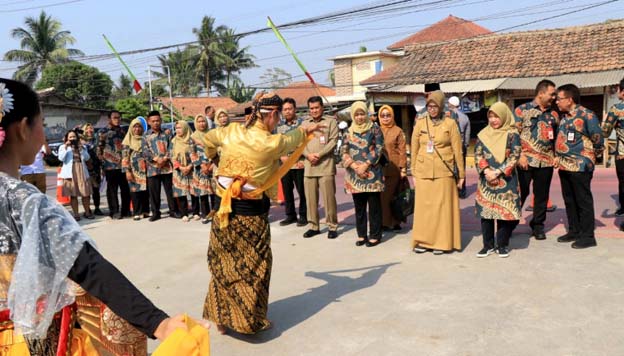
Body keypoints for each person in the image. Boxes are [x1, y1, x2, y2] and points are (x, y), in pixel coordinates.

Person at [0, 78, 195, 354]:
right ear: (22, 129)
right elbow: (88, 267)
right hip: (25, 341)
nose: (43, 135)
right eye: (41, 124)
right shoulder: (27, 202)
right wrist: (158, 323)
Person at [196, 92, 323, 335]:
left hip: (222, 211)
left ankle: (220, 319)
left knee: (223, 263)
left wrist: (214, 157)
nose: (277, 124)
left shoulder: (230, 131)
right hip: (249, 215)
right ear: (273, 114)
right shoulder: (271, 143)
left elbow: (207, 139)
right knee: (254, 267)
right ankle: (247, 321)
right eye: (276, 117)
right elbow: (293, 138)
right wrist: (307, 128)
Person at [411, 90, 465, 254]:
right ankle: (423, 241)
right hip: (423, 171)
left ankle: (441, 243)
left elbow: (458, 151)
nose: (432, 109)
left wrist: (461, 175)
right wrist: (413, 172)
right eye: (429, 106)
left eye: (435, 106)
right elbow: (414, 148)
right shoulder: (420, 123)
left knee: (442, 209)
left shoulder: (450, 124)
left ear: (441, 106)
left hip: (444, 171)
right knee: (424, 209)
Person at [554, 84, 603, 249]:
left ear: (569, 99)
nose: (556, 102)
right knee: (569, 200)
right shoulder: (565, 117)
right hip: (564, 166)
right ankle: (574, 230)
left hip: (580, 166)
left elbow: (598, 139)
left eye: (559, 99)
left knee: (583, 201)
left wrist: (590, 158)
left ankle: (588, 236)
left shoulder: (587, 115)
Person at [513, 80, 559, 240]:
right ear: (541, 93)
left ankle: (538, 225)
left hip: (546, 161)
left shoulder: (554, 114)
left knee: (542, 195)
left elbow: (558, 137)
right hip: (525, 161)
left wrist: (556, 155)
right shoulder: (521, 110)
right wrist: (519, 155)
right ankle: (510, 223)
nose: (554, 97)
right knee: (520, 193)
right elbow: (513, 135)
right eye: (551, 93)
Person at [474, 102, 522, 258]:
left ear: (505, 116)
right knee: (486, 213)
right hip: (486, 179)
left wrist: (498, 172)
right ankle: (487, 245)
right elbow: (478, 154)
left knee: (504, 213)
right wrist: (487, 170)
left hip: (506, 179)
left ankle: (502, 245)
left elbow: (515, 156)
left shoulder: (512, 134)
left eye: (497, 116)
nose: (493, 120)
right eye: (491, 116)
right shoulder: (483, 134)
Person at [341, 101, 385, 247]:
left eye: (362, 114)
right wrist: (354, 166)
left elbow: (379, 148)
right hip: (355, 175)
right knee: (359, 207)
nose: (360, 117)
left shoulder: (375, 129)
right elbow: (343, 151)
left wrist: (365, 164)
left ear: (366, 114)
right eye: (357, 114)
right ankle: (361, 235)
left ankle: (375, 235)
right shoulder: (348, 131)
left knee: (374, 207)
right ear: (353, 116)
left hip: (372, 172)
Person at [301, 96, 339, 239]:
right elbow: (300, 143)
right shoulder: (304, 124)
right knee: (310, 199)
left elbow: (333, 141)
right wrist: (309, 155)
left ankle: (332, 226)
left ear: (322, 107)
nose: (314, 110)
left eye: (317, 107)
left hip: (326, 166)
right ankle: (314, 226)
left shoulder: (330, 122)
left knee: (329, 199)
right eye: (311, 108)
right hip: (309, 167)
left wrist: (319, 154)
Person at [277, 97, 307, 226]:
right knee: (287, 191)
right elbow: (276, 144)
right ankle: (290, 215)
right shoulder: (278, 127)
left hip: (299, 163)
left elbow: (305, 143)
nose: (288, 111)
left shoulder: (302, 124)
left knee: (302, 191)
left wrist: (295, 156)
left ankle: (304, 215)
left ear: (295, 109)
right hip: (284, 164)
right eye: (285, 109)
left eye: (290, 109)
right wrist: (281, 156)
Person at [143, 110, 178, 221]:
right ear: (149, 122)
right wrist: (156, 159)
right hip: (153, 168)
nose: (156, 123)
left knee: (170, 191)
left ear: (161, 121)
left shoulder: (167, 133)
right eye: (153, 121)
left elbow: (172, 147)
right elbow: (145, 151)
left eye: (158, 120)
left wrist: (165, 158)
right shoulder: (145, 136)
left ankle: (173, 211)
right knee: (154, 193)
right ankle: (155, 213)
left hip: (167, 167)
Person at [97, 110, 131, 219]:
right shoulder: (103, 132)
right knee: (112, 190)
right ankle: (114, 211)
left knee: (125, 189)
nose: (118, 119)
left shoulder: (123, 131)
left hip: (123, 165)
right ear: (109, 119)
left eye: (119, 117)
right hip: (110, 166)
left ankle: (126, 210)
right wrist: (103, 164)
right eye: (115, 117)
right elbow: (98, 150)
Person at [378, 105, 407, 231]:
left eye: (388, 115)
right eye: (383, 115)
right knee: (381, 198)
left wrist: (403, 168)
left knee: (393, 196)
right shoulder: (376, 130)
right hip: (378, 169)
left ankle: (394, 222)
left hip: (394, 169)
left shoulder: (398, 131)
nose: (385, 118)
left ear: (392, 116)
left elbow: (402, 151)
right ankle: (384, 222)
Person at [59, 129, 94, 220]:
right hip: (70, 172)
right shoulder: (63, 147)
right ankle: (76, 214)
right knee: (73, 194)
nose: (72, 139)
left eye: (74, 137)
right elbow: (61, 158)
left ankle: (87, 212)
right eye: (70, 137)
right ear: (67, 138)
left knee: (85, 193)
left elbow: (87, 158)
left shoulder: (81, 147)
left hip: (81, 170)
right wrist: (66, 147)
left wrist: (81, 148)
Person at [602, 77, 624, 216]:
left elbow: (605, 131)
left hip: (622, 154)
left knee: (623, 183)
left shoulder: (617, 109)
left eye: (618, 90)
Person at [122, 118, 150, 221]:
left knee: (145, 191)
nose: (137, 129)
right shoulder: (127, 141)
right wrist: (127, 171)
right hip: (133, 170)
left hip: (145, 168)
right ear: (131, 128)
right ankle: (137, 212)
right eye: (134, 127)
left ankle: (145, 211)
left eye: (139, 126)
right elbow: (125, 157)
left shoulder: (145, 139)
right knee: (134, 191)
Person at [190, 114, 214, 224]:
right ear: (196, 123)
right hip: (200, 169)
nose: (202, 123)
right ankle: (205, 214)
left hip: (212, 167)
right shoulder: (193, 137)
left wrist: (212, 164)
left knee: (214, 192)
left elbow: (217, 150)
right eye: (199, 122)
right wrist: (202, 165)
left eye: (203, 121)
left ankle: (215, 214)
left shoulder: (212, 135)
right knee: (203, 193)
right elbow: (192, 153)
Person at [170, 120, 195, 222]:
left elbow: (195, 154)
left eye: (180, 128)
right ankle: (184, 213)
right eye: (176, 128)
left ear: (185, 128)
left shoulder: (192, 140)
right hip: (179, 170)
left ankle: (196, 212)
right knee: (181, 192)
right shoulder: (173, 141)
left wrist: (189, 166)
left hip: (191, 169)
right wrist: (180, 167)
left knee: (193, 192)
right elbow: (171, 156)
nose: (178, 130)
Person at [448, 96, 471, 198]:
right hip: (461, 144)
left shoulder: (447, 116)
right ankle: (462, 191)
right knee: (461, 167)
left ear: (450, 104)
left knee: (450, 167)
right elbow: (467, 133)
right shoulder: (465, 117)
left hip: (450, 145)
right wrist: (465, 145)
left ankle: (452, 190)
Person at [81, 123, 104, 215]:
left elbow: (101, 152)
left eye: (91, 129)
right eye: (87, 129)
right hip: (84, 167)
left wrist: (103, 167)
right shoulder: (81, 141)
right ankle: (87, 209)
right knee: (86, 189)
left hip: (96, 167)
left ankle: (97, 207)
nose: (89, 131)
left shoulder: (97, 140)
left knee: (96, 188)